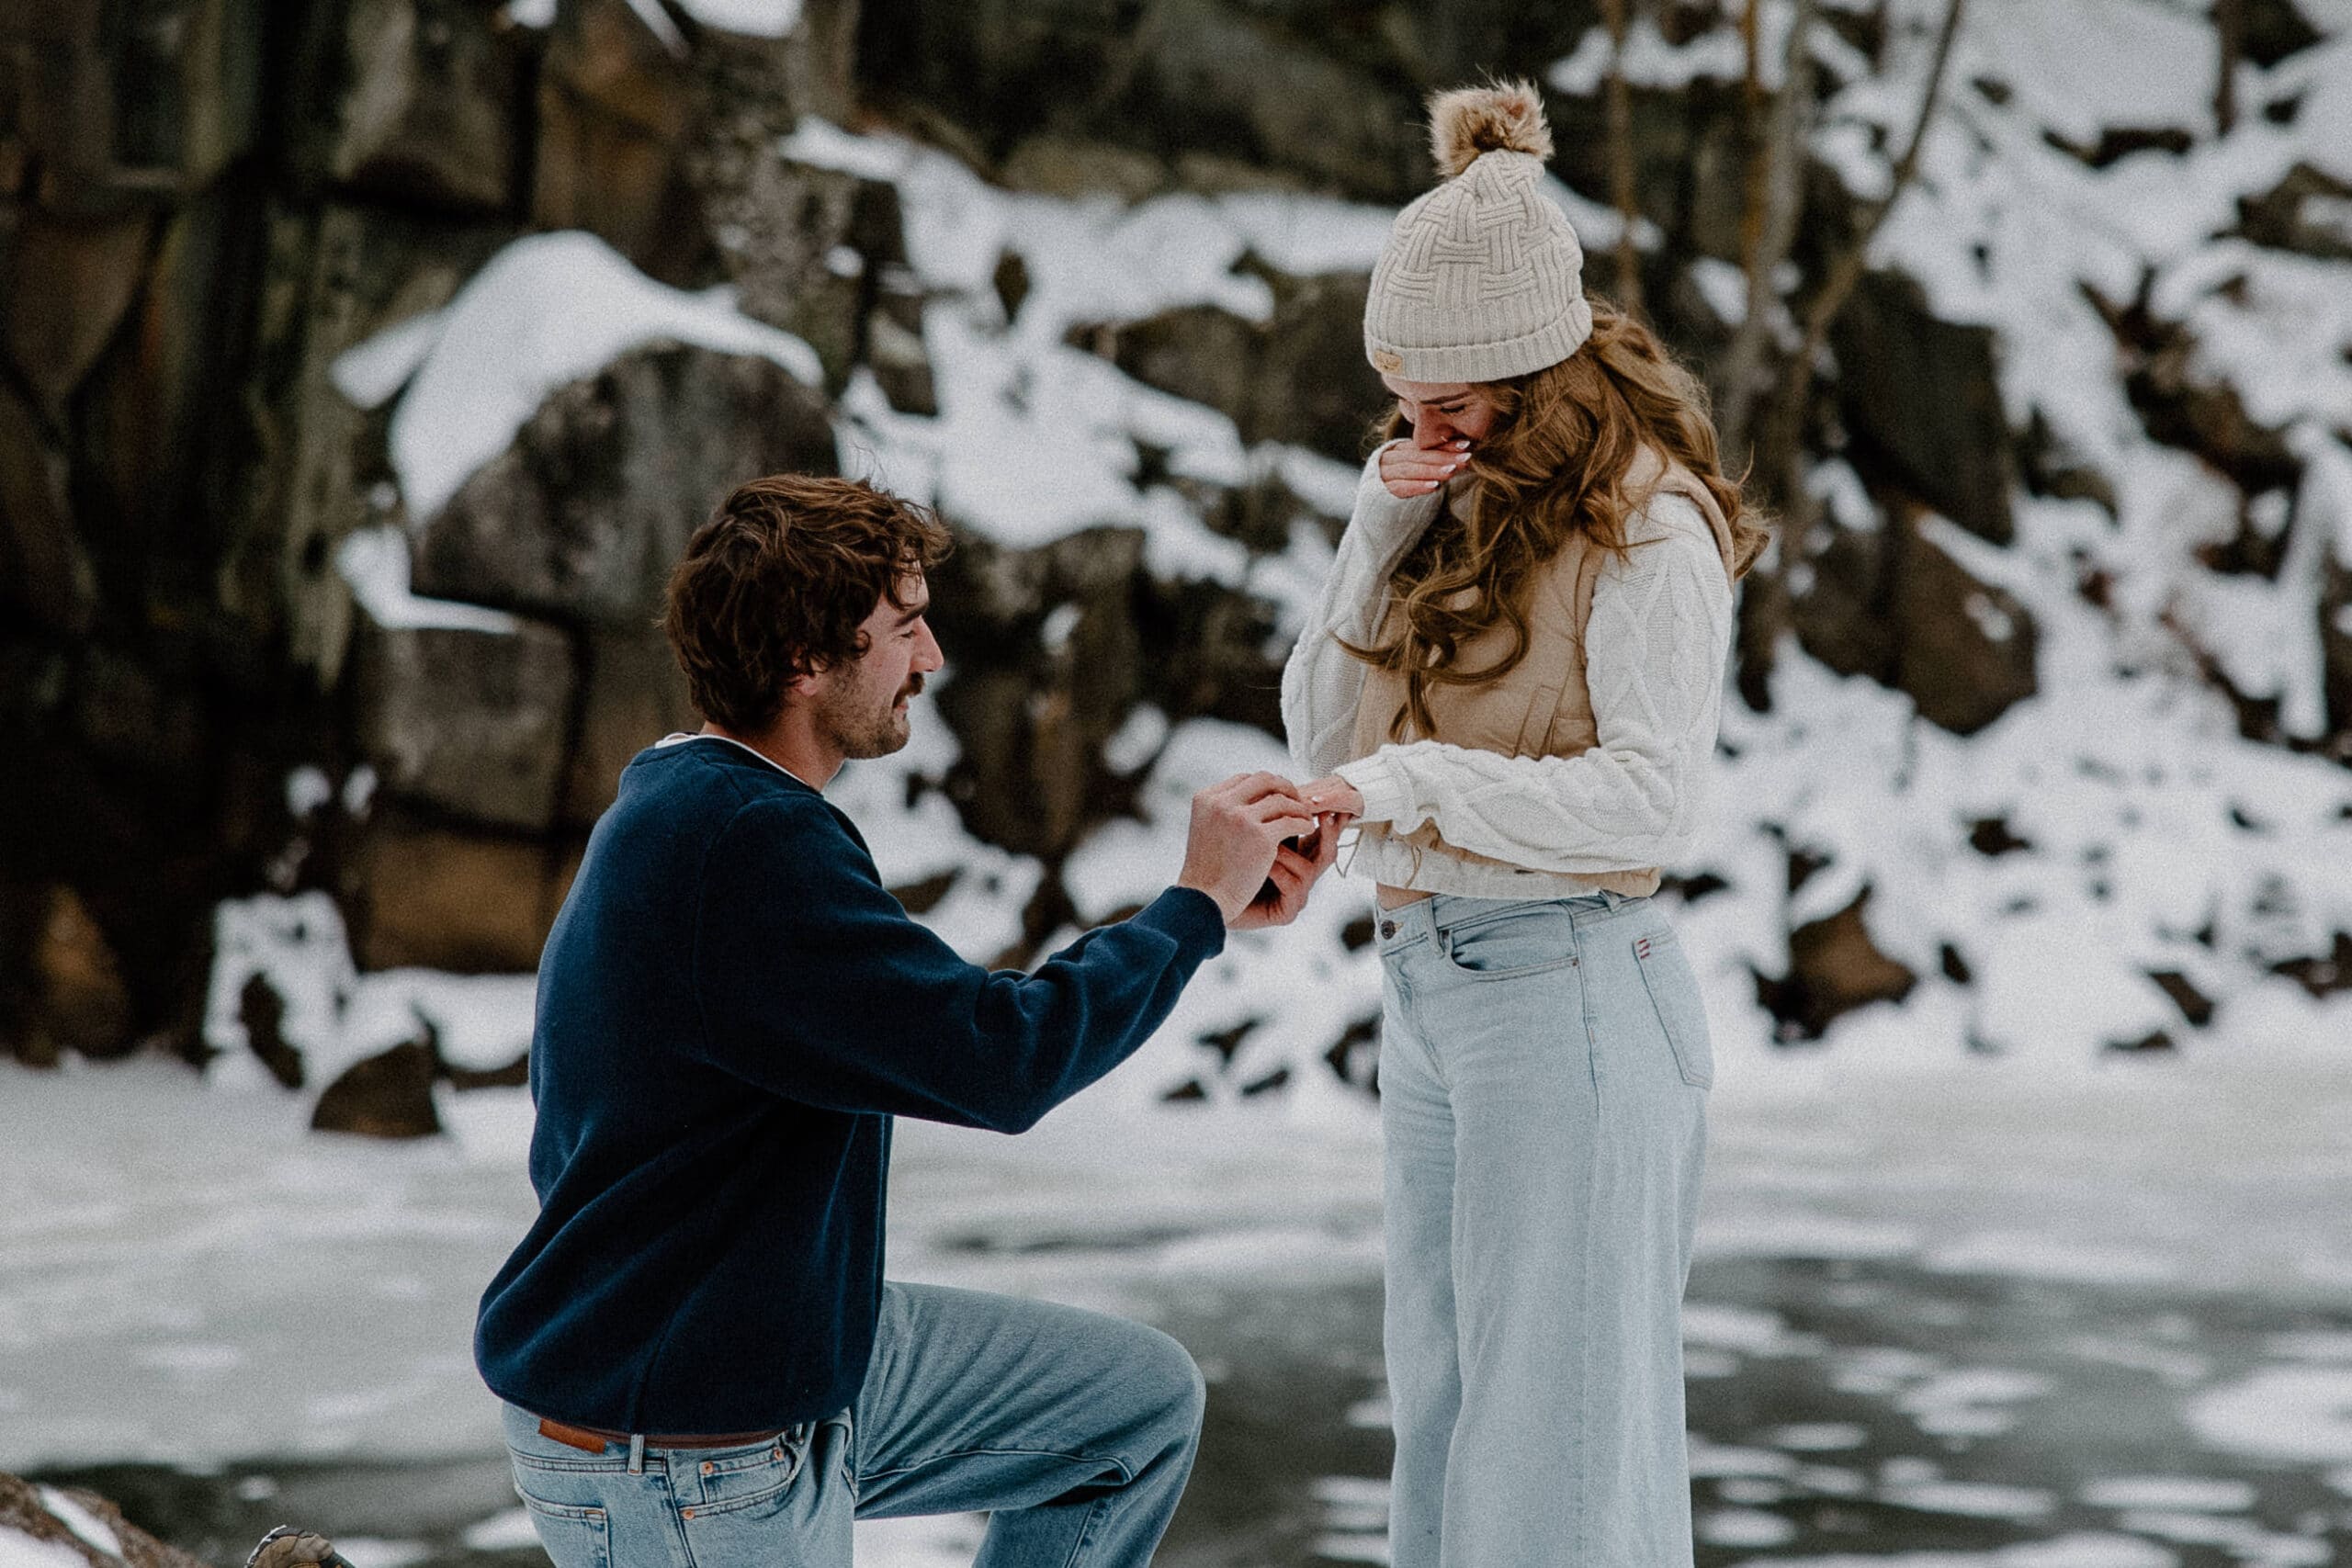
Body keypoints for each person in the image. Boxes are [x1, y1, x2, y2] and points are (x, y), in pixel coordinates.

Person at [475, 473, 1343, 1567]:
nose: (931, 659)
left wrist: (1201, 917)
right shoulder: (741, 844)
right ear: (804, 662)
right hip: (686, 1447)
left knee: (1126, 1410)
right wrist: (1192, 904)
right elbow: (1001, 1058)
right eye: (902, 629)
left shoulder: (693, 803)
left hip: (775, 1352)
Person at [1282, 83, 1767, 1567]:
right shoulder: (1456, 492)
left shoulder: (1654, 527)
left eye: (1447, 399)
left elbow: (1648, 799)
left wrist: (1413, 783)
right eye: (1403, 399)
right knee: (1447, 1432)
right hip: (1434, 990)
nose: (1421, 426)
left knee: (1551, 1466)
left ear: (1526, 370)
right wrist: (1379, 525)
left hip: (1572, 992)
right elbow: (1320, 733)